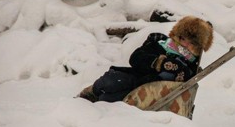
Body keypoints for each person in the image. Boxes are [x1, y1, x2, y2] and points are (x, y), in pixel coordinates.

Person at [77, 16, 213, 102]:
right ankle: (90, 93)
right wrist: (160, 62)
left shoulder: (190, 64)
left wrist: (180, 70)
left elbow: (187, 81)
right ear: (176, 35)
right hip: (138, 79)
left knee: (108, 99)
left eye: (192, 43)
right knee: (111, 81)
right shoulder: (160, 42)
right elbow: (136, 58)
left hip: (156, 94)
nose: (185, 45)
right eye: (183, 39)